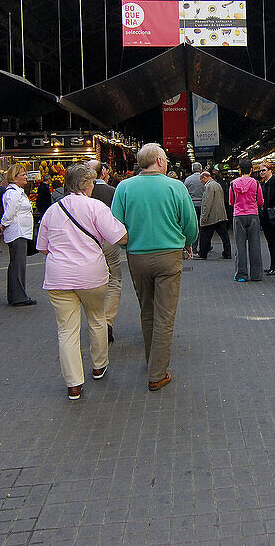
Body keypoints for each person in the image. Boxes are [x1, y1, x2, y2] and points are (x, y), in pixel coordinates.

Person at [110, 143, 198, 391]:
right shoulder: (175, 187)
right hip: (169, 256)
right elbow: (190, 223)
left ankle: (152, 360)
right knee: (165, 314)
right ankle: (157, 374)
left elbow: (115, 224)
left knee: (147, 310)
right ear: (159, 161)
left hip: (137, 257)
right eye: (166, 158)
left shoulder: (124, 188)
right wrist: (188, 243)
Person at [37, 163, 128, 401]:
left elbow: (42, 247)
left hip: (58, 278)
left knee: (66, 330)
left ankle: (74, 385)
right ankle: (99, 366)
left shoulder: (52, 211)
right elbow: (118, 237)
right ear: (88, 185)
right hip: (92, 276)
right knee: (97, 318)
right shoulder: (95, 206)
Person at [87, 159, 123, 344]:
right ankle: (107, 320)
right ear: (103, 173)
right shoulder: (112, 192)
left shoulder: (75, 196)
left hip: (85, 244)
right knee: (114, 280)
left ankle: (95, 321)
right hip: (108, 242)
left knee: (92, 282)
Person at [0, 164, 37, 307]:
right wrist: (3, 225)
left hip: (20, 232)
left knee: (17, 264)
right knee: (18, 265)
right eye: (23, 175)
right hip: (18, 232)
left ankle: (16, 295)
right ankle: (18, 296)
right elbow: (9, 212)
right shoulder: (13, 193)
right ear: (15, 178)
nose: (26, 177)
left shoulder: (18, 192)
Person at [228, 159, 263, 282]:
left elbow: (231, 202)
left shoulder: (233, 184)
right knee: (255, 245)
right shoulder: (256, 183)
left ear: (239, 170)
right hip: (253, 215)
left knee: (240, 245)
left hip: (238, 216)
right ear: (251, 170)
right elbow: (260, 201)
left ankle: (241, 274)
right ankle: (256, 275)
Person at [198, 171, 232, 260]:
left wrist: (204, 216)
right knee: (224, 236)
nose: (201, 182)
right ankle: (227, 252)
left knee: (205, 234)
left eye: (201, 180)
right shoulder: (217, 184)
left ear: (204, 177)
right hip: (221, 214)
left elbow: (208, 202)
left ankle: (203, 253)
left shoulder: (209, 186)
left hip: (212, 215)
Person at [183, 161, 204, 252]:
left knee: (194, 226)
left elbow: (184, 192)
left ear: (192, 169)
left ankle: (194, 248)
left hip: (192, 205)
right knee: (204, 226)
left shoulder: (188, 180)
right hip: (203, 205)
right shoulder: (204, 179)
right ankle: (205, 246)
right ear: (201, 169)